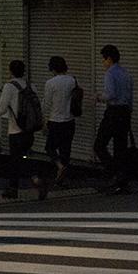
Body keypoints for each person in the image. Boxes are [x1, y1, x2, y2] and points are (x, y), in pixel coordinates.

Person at [0, 60, 40, 200]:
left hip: (16, 130)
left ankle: (14, 189)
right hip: (29, 130)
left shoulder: (9, 86)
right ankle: (36, 179)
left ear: (11, 71)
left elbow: (2, 108)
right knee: (24, 157)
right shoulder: (31, 86)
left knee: (15, 161)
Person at [92, 44, 134, 194]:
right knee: (120, 147)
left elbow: (110, 95)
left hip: (113, 112)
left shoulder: (110, 74)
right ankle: (121, 181)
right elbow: (129, 96)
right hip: (125, 113)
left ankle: (112, 172)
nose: (103, 63)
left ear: (108, 59)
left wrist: (98, 97)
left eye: (103, 59)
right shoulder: (126, 73)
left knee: (99, 145)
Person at [41, 56, 78, 187]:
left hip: (55, 120)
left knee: (49, 147)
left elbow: (46, 104)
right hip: (69, 121)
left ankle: (59, 166)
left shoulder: (50, 83)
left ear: (53, 68)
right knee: (65, 150)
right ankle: (61, 179)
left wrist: (44, 121)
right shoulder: (72, 81)